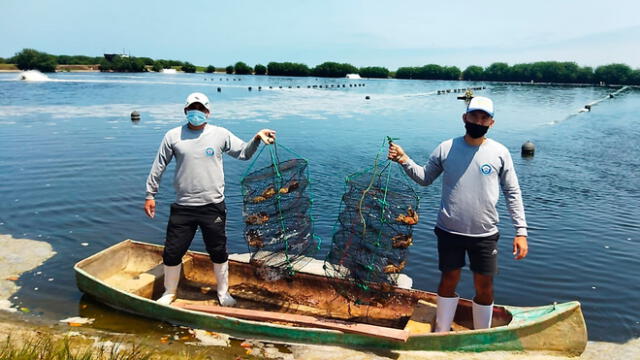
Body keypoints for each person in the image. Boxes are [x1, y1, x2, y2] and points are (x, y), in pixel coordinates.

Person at [387, 96, 528, 332]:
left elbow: (512, 192)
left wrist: (521, 231)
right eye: (474, 116)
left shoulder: (500, 152)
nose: (478, 121)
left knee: (484, 286)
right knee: (448, 279)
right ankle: (441, 332)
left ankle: (481, 333)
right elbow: (424, 178)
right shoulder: (446, 148)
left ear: (491, 123)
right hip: (449, 230)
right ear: (465, 118)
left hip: (485, 234)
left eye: (484, 118)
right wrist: (403, 159)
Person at [144, 92, 275, 307]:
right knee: (172, 252)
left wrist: (257, 138)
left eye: (201, 109)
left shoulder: (220, 134)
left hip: (212, 206)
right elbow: (159, 166)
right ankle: (170, 292)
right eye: (193, 108)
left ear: (208, 112)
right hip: (183, 206)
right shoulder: (173, 136)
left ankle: (223, 293)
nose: (197, 112)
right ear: (186, 111)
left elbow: (243, 153)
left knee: (218, 250)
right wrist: (150, 194)